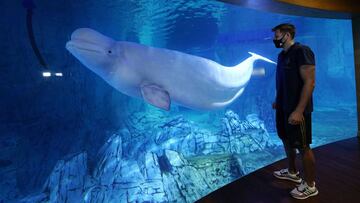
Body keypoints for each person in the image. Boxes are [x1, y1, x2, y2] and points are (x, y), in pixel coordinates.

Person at [271, 23, 318, 200]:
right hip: (283, 107)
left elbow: (309, 82)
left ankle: (310, 185)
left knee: (303, 146)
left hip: (298, 110)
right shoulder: (281, 56)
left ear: (287, 35)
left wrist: (298, 111)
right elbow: (284, 81)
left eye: (277, 35)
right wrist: (278, 100)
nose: (274, 39)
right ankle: (292, 171)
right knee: (286, 138)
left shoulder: (302, 51)